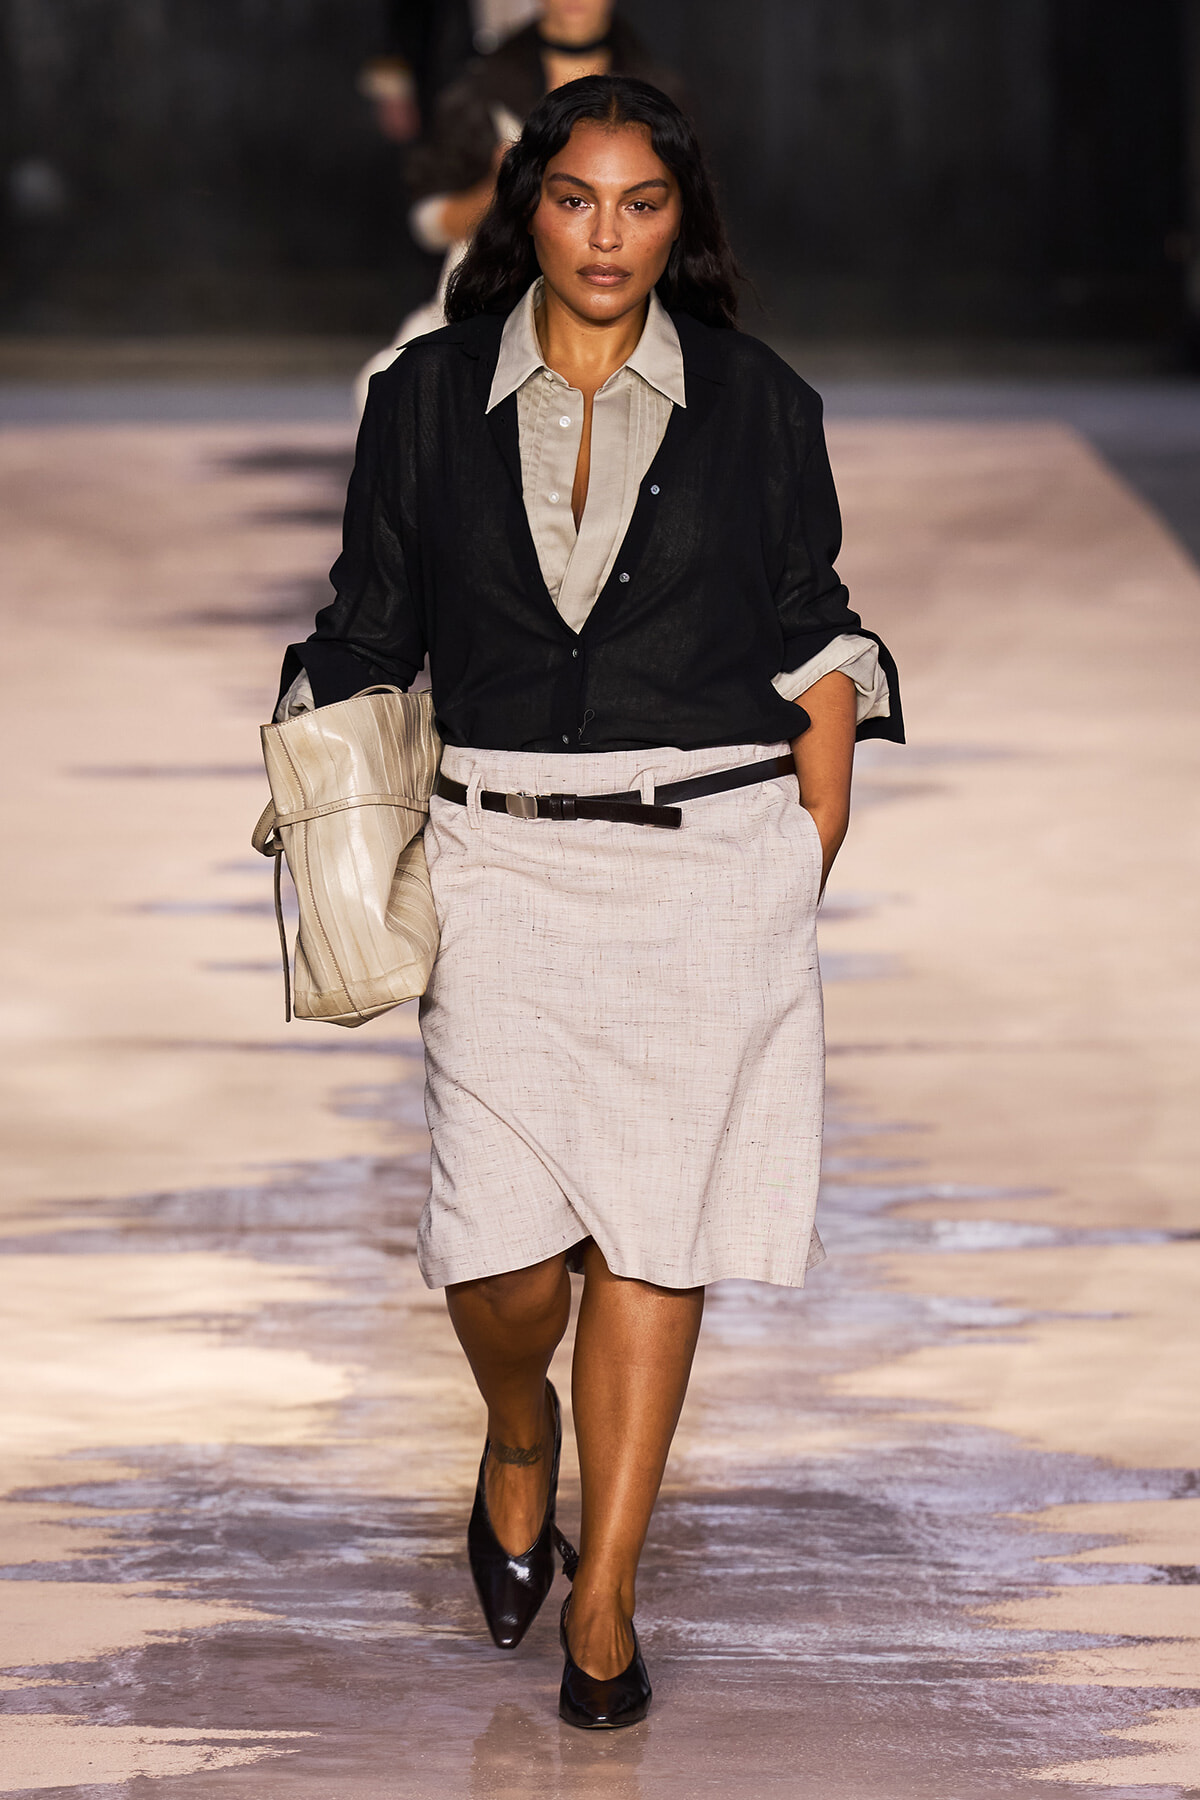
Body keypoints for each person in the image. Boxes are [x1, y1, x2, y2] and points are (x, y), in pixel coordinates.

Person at [277, 74, 903, 1729]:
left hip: (704, 863)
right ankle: (514, 1430)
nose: (607, 234)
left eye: (642, 204)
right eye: (575, 200)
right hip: (499, 862)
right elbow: (367, 624)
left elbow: (812, 620)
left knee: (655, 1239)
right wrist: (317, 765)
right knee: (498, 1257)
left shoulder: (763, 404)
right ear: (524, 209)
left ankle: (607, 1601)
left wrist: (808, 830)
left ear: (682, 221)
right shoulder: (422, 400)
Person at [354, 2, 678, 410]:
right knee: (386, 390)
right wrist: (497, 190)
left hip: (626, 306)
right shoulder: (482, 89)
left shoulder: (663, 95)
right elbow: (429, 220)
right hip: (497, 295)